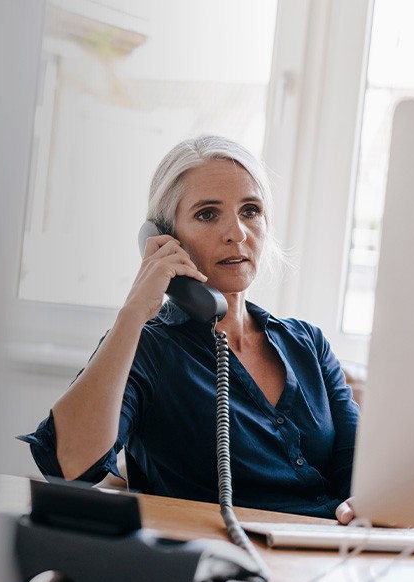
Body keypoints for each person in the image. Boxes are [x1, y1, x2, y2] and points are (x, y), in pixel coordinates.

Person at [19, 134, 358, 521]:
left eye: (251, 210)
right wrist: (133, 313)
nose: (237, 233)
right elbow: (67, 466)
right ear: (166, 237)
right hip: (224, 559)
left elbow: (362, 476)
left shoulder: (308, 344)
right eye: (208, 214)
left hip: (331, 554)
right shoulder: (148, 348)